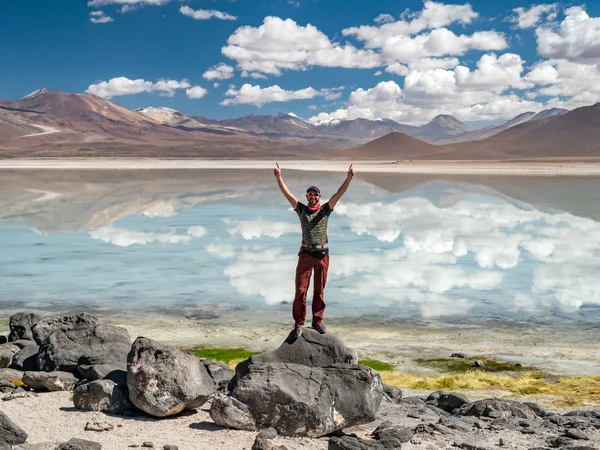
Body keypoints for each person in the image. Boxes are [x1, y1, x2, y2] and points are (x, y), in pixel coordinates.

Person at [273, 163, 355, 338]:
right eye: (310, 194)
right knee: (301, 290)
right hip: (305, 254)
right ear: (307, 196)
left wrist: (348, 178)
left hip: (323, 255)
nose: (313, 197)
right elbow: (288, 194)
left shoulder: (325, 210)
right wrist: (279, 177)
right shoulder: (301, 210)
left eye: (315, 194)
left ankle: (318, 321)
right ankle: (298, 324)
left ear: (319, 197)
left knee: (319, 290)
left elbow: (338, 194)